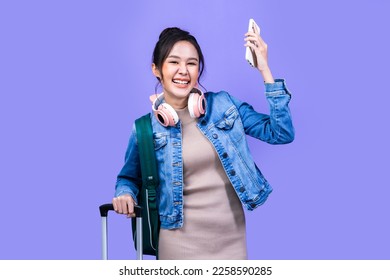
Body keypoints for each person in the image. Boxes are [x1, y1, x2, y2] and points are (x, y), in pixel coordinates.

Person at [112, 27, 294, 260]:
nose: (183, 71)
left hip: (231, 241)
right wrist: (125, 194)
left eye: (191, 63)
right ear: (156, 70)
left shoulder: (224, 105)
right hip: (177, 243)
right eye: (173, 62)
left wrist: (264, 69)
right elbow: (127, 178)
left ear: (199, 70)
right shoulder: (145, 129)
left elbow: (281, 133)